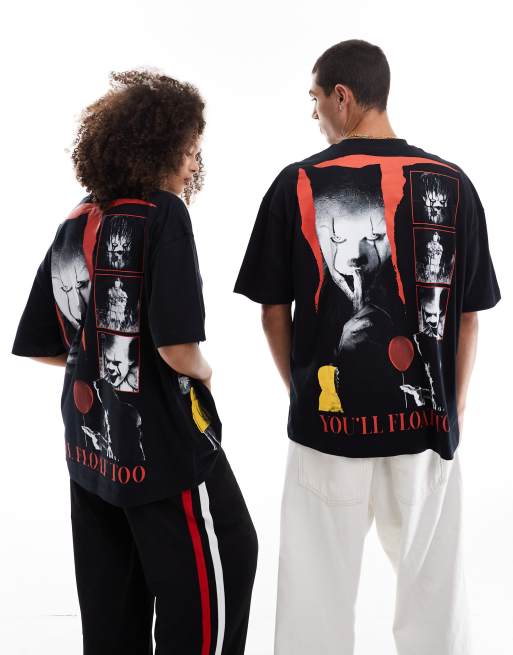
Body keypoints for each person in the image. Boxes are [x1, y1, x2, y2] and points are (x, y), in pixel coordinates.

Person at [234, 39, 500, 655]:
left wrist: (305, 390)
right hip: (425, 428)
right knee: (434, 592)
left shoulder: (295, 183)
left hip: (328, 429)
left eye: (315, 99)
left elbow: (273, 314)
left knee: (314, 599)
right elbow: (468, 318)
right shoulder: (453, 183)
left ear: (342, 96)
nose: (314, 113)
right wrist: (451, 408)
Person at [12, 70, 258, 655]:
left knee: (113, 615)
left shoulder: (75, 220)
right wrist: (204, 373)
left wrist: (101, 363)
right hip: (163, 450)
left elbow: (43, 342)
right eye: (191, 151)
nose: (193, 166)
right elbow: (177, 347)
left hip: (91, 452)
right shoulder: (164, 214)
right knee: (223, 566)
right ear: (163, 148)